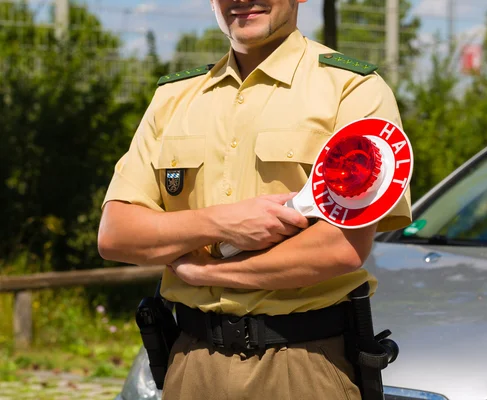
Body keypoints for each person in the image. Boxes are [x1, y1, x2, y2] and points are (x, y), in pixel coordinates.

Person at [97, 0, 412, 398]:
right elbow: (117, 234)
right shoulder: (173, 97)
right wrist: (221, 223)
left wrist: (207, 272)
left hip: (302, 366)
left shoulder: (351, 90)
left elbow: (342, 248)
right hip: (190, 365)